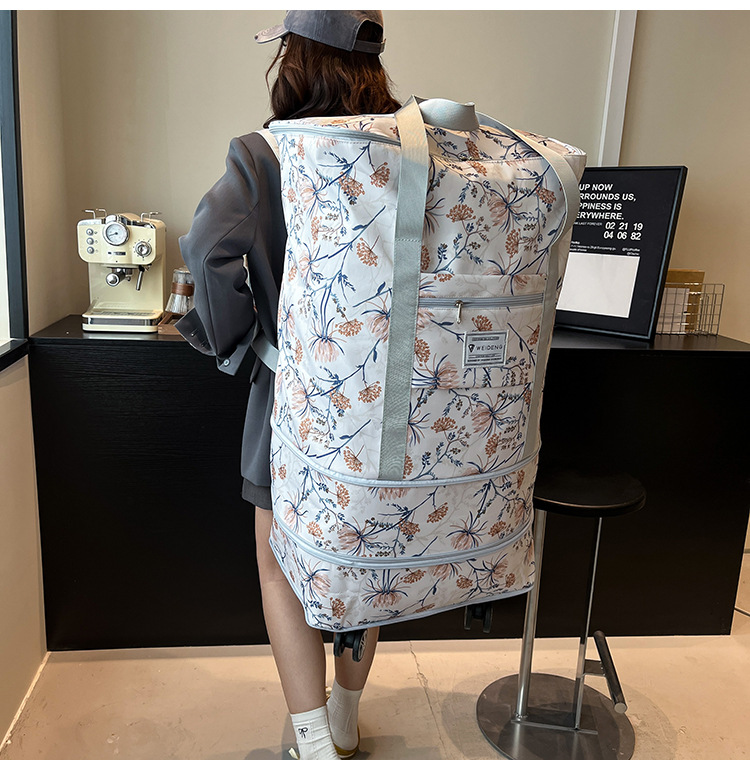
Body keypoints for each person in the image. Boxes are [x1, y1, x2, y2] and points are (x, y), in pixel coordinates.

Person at [176, 10, 401, 761]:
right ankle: (346, 716)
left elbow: (207, 248)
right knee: (365, 554)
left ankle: (311, 741)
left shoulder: (266, 153)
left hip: (293, 396)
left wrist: (238, 341)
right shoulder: (411, 146)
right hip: (388, 398)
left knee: (279, 561)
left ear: (295, 58)